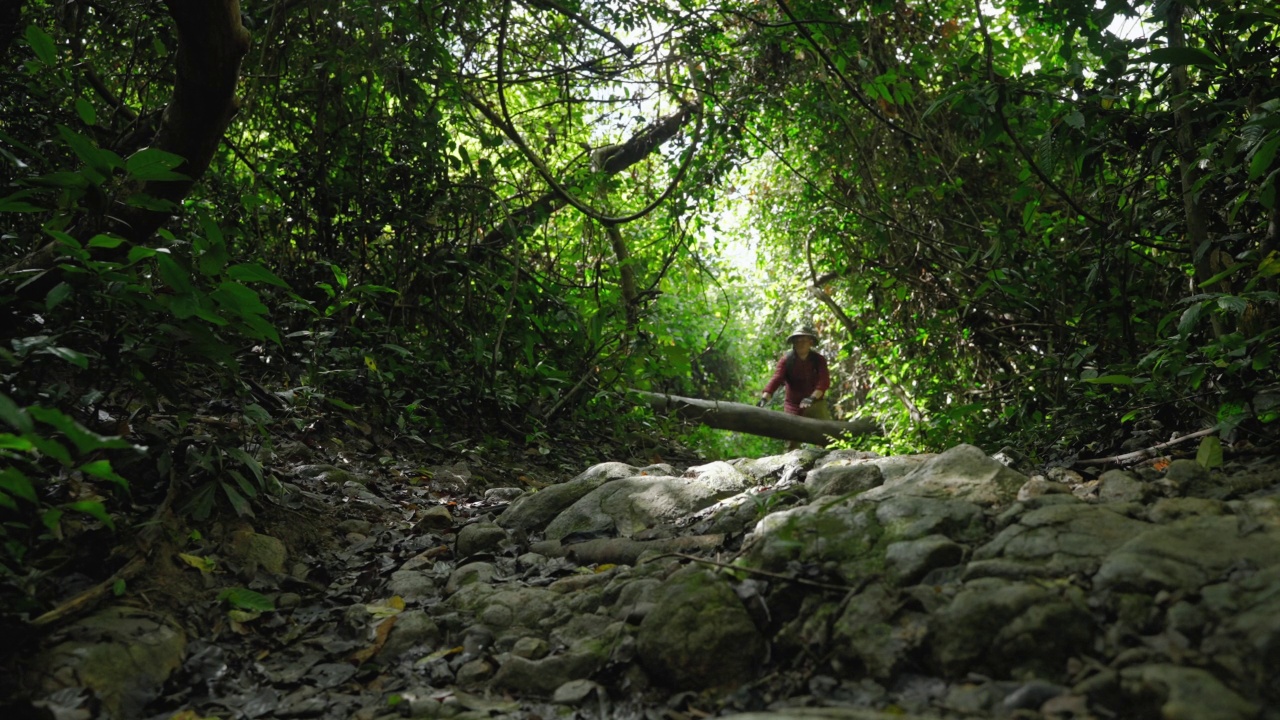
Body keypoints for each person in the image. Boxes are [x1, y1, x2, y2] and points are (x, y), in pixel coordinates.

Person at [758, 325, 831, 421]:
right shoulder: (786, 360)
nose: (800, 344)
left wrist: (812, 398)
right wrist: (764, 398)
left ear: (810, 342)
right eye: (797, 341)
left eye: (803, 341)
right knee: (792, 433)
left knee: (823, 433)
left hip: (816, 404)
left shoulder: (819, 360)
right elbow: (776, 379)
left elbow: (824, 382)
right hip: (793, 406)